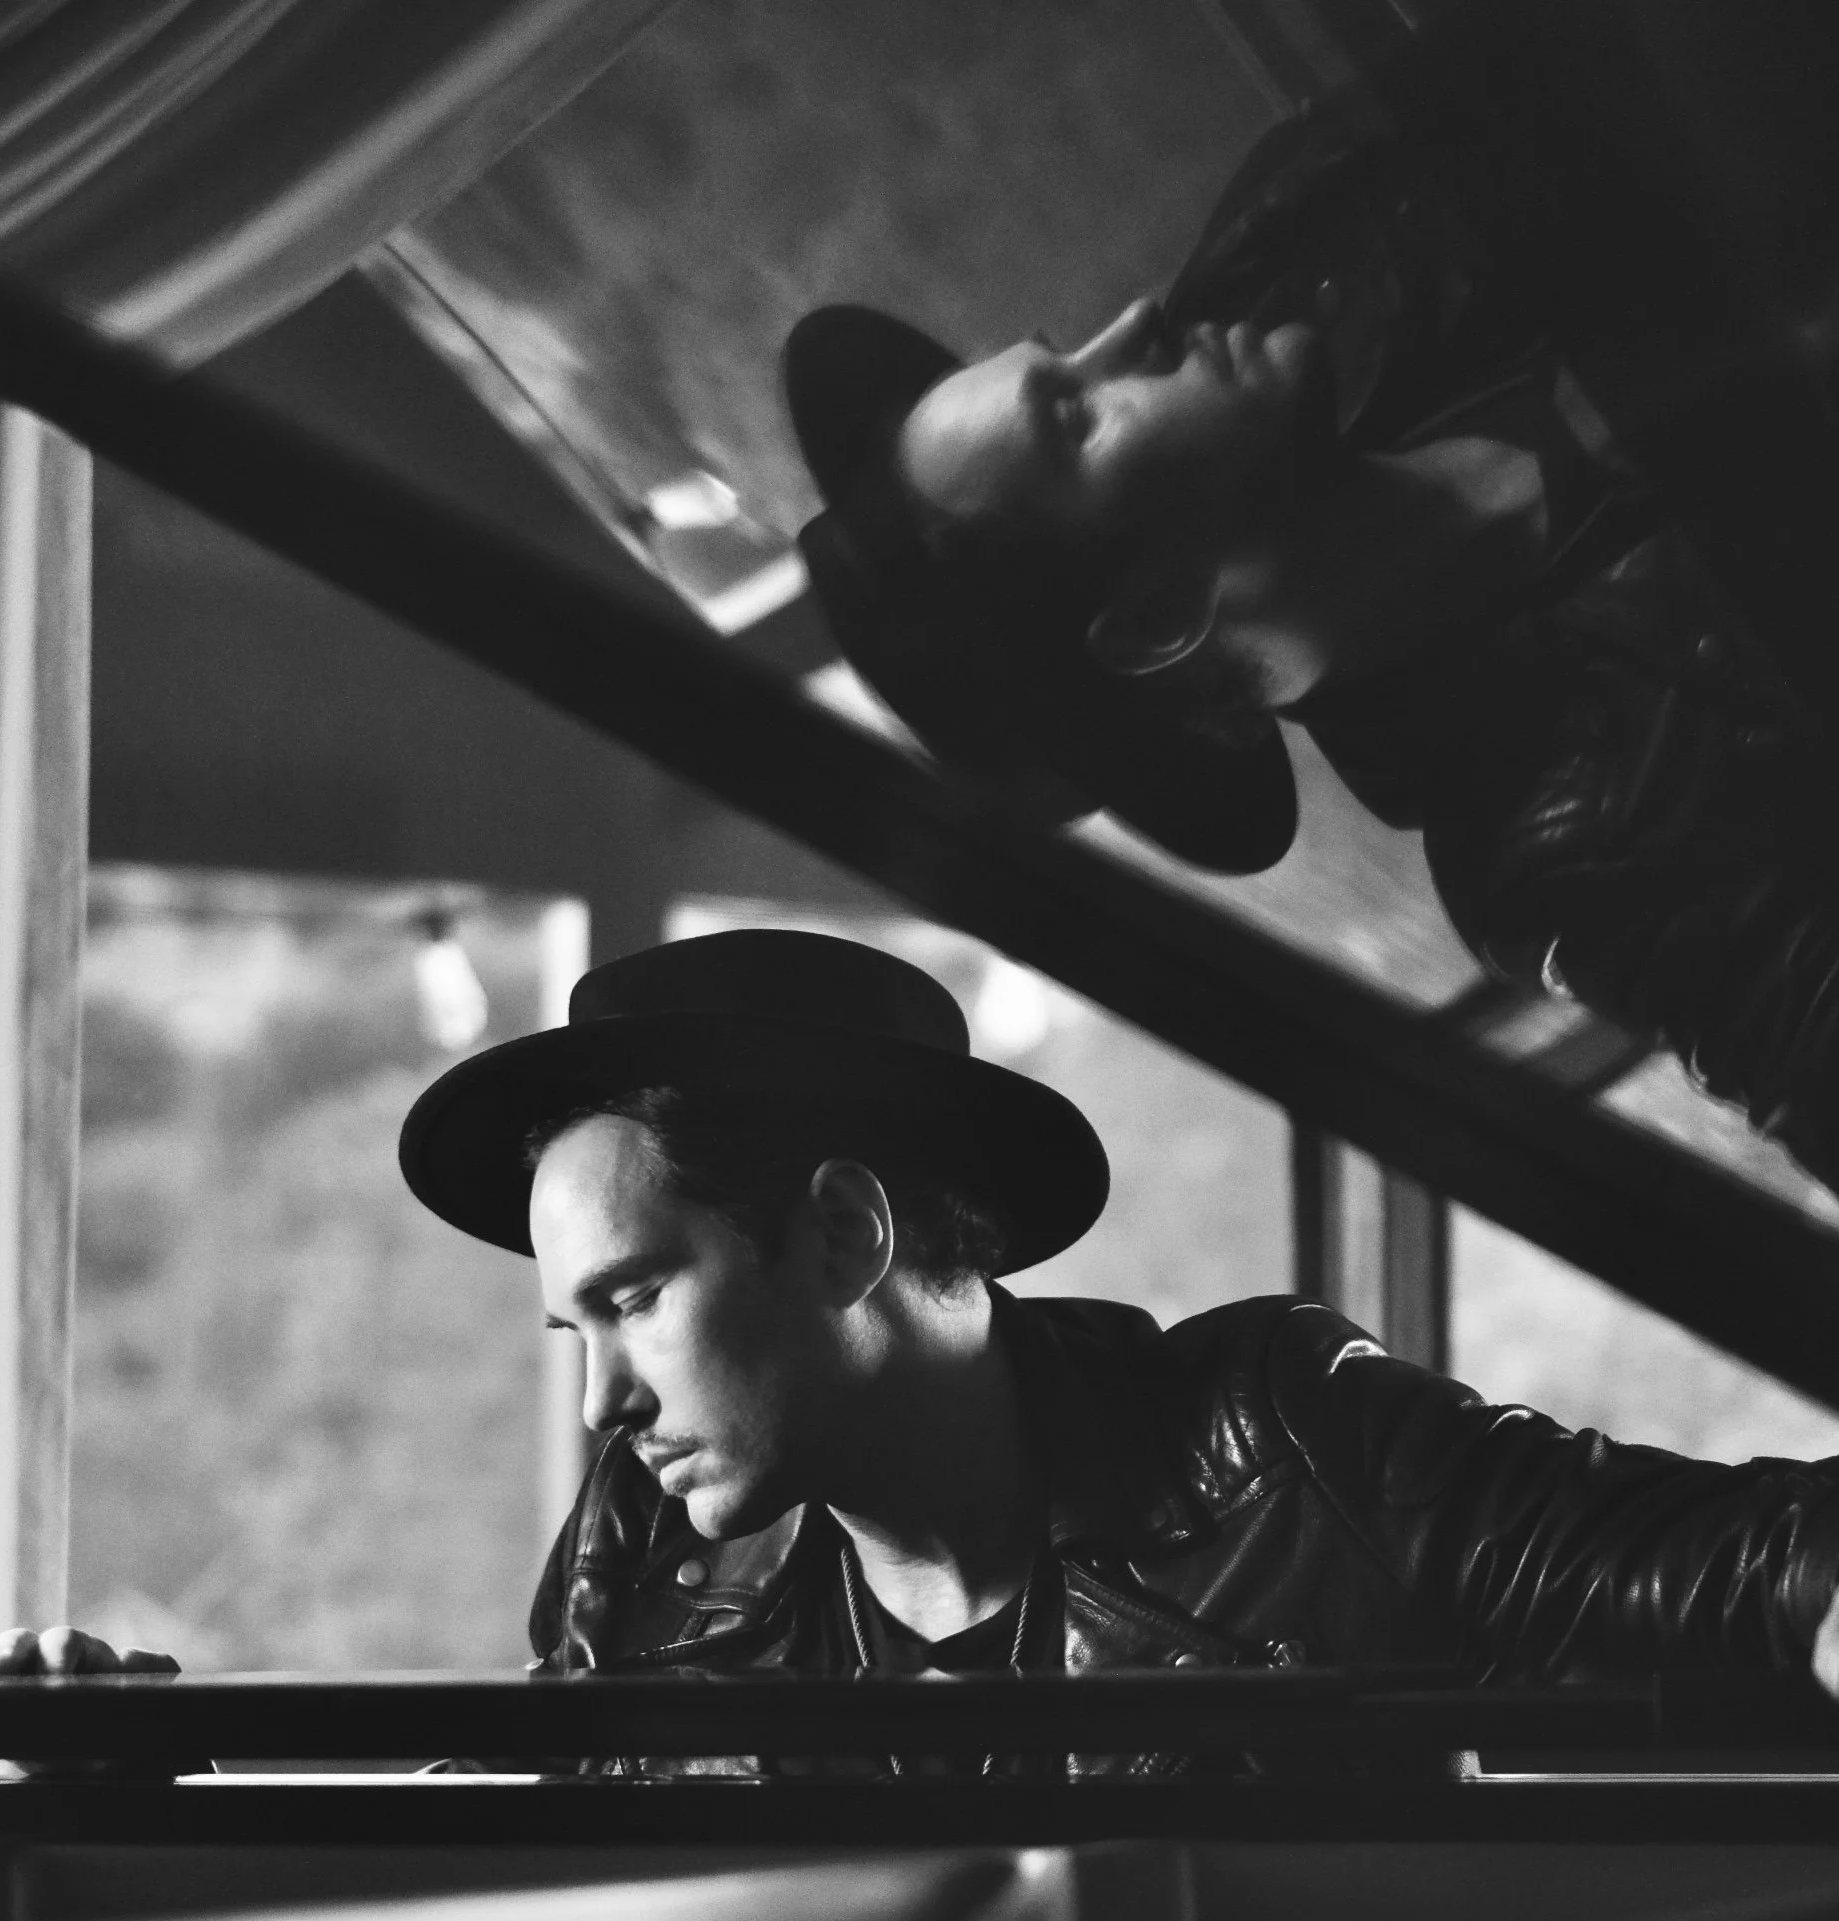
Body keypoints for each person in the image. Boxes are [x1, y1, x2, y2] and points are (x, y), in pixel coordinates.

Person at [0, 927, 1839, 1770]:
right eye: (568, 1328)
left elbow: (1777, 1569)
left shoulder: (1284, 1440)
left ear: (840, 1232)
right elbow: (521, 1861)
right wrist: (127, 1770)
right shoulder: (655, 1554)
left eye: (635, 1297)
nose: (601, 1399)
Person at [780, 74, 1839, 1185]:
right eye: (1075, 415)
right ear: (1152, 618)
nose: (1132, 324)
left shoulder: (1321, 235)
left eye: (1063, 351)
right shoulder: (1571, 845)